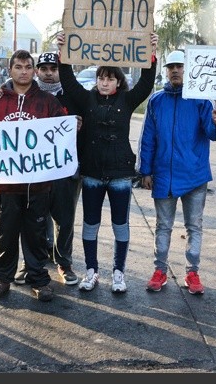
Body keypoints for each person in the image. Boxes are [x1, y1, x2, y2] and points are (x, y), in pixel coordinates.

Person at [56, 31, 159, 293]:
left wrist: (151, 53)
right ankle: (91, 271)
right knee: (90, 224)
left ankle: (118, 273)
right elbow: (68, 80)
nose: (104, 82)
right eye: (101, 78)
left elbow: (146, 82)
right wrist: (63, 52)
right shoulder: (86, 98)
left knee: (120, 225)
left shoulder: (127, 100)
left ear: (118, 82)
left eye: (110, 78)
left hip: (120, 174)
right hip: (92, 172)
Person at [138, 50, 216, 295]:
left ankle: (192, 272)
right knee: (163, 226)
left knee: (194, 226)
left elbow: (214, 134)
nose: (175, 70)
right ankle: (159, 271)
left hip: (195, 175)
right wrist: (145, 171)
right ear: (166, 71)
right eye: (171, 67)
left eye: (180, 66)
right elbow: (148, 138)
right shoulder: (156, 100)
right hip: (163, 176)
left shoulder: (202, 100)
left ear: (188, 70)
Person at [0, 49, 67, 303]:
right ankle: (1, 279)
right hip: (5, 184)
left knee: (36, 235)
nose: (23, 72)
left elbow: (61, 132)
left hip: (38, 184)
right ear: (10, 69)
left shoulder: (47, 102)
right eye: (18, 67)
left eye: (28, 67)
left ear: (34, 70)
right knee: (5, 233)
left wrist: (72, 125)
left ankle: (38, 279)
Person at [0, 52, 84, 287]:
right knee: (29, 224)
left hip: (60, 170)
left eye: (53, 68)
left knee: (62, 219)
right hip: (21, 175)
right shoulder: (1, 96)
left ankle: (61, 264)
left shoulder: (68, 95)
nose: (48, 73)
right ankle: (28, 267)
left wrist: (74, 125)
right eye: (44, 69)